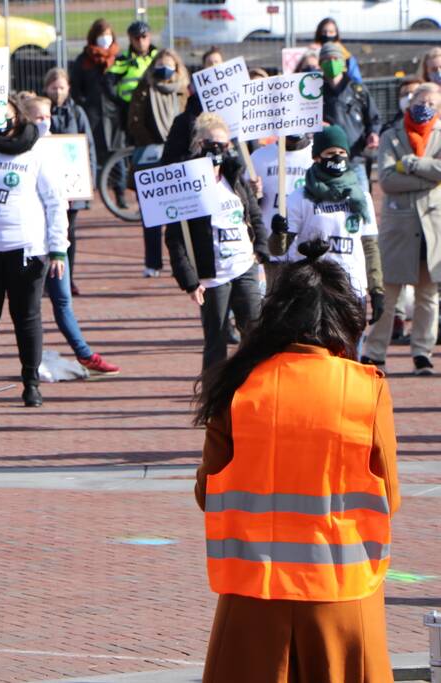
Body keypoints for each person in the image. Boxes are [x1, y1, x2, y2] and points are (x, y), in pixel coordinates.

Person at [194, 247, 398, 683]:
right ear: (345, 321)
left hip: (253, 595)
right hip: (343, 595)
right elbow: (389, 498)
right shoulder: (366, 391)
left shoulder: (239, 386)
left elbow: (207, 492)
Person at [0, 96, 69, 407]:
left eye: (5, 116)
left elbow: (55, 201)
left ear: (17, 117)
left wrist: (58, 249)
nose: (1, 124)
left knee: (27, 317)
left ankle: (31, 382)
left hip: (26, 249)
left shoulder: (36, 150)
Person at [24, 95, 120, 376]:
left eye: (47, 116)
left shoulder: (58, 147)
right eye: (38, 117)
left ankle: (84, 354)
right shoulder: (23, 151)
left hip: (55, 237)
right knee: (29, 308)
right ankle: (32, 360)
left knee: (62, 298)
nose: (44, 122)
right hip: (31, 241)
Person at [166, 113, 266, 371]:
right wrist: (189, 280)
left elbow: (254, 215)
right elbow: (175, 237)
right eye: (211, 143)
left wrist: (260, 249)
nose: (218, 149)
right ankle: (215, 389)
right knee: (216, 339)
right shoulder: (186, 182)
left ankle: (250, 382)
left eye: (223, 144)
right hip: (213, 274)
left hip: (243, 265)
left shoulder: (234, 176)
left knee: (255, 330)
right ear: (199, 143)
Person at [270, 126, 384, 335]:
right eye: (330, 153)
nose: (337, 158)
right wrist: (278, 233)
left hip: (352, 287)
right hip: (313, 288)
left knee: (350, 348)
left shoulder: (361, 197)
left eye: (341, 152)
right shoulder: (300, 197)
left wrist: (377, 290)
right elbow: (279, 249)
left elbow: (370, 247)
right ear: (317, 157)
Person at [364, 82, 441, 375]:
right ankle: (374, 351)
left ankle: (422, 352)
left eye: (432, 103)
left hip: (432, 226)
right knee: (388, 294)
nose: (425, 107)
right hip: (399, 226)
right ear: (410, 103)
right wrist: (428, 175)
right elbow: (387, 179)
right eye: (421, 101)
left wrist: (408, 164)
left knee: (427, 295)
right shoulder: (391, 135)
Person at [128, 49, 190, 278]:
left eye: (169, 65)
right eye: (160, 64)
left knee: (180, 217)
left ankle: (181, 264)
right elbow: (134, 121)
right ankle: (152, 263)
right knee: (151, 216)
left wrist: (175, 144)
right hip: (151, 157)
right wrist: (153, 142)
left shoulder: (184, 91)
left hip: (177, 158)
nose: (164, 69)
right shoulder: (144, 89)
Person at [43, 67, 95, 294]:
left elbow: (88, 146)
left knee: (69, 233)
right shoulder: (42, 111)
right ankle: (46, 280)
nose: (58, 92)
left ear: (69, 88)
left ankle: (68, 278)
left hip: (73, 181)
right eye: (54, 88)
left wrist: (89, 179)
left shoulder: (77, 112)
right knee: (46, 230)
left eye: (61, 88)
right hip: (47, 180)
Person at [247, 133, 314, 288]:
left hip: (308, 251)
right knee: (276, 299)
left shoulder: (317, 155)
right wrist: (253, 193)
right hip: (273, 251)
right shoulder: (259, 157)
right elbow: (245, 205)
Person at [70, 19, 122, 208]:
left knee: (117, 154)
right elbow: (76, 87)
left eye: (107, 34)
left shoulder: (118, 58)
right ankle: (88, 194)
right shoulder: (83, 60)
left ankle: (120, 193)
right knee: (90, 155)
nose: (105, 39)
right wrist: (83, 104)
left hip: (113, 114)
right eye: (101, 35)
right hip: (91, 113)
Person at [320, 43, 380, 192]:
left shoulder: (358, 91)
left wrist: (373, 134)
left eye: (335, 59)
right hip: (325, 162)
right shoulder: (314, 92)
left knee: (361, 200)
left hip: (355, 160)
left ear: (343, 62)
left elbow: (373, 119)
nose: (331, 63)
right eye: (327, 60)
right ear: (320, 64)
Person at [311, 17, 363, 83]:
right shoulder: (311, 53)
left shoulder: (347, 56)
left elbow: (356, 80)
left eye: (331, 32)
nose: (327, 35)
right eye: (324, 32)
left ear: (336, 33)